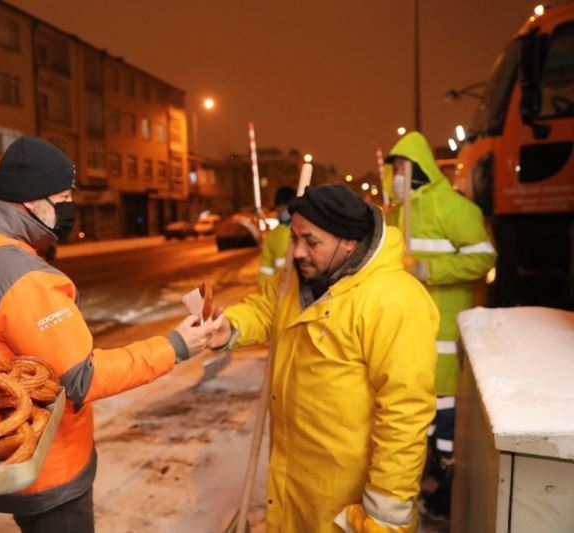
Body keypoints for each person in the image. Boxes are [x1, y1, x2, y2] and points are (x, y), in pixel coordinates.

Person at [0, 136, 217, 532]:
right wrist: (176, 347)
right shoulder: (20, 275)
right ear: (31, 201)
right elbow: (82, 377)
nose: (69, 209)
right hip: (49, 462)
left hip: (4, 444)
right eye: (63, 198)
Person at [209, 184, 439, 533]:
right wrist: (230, 327)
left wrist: (386, 510)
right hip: (293, 480)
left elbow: (405, 412)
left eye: (311, 241)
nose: (297, 252)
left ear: (348, 241)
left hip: (345, 492)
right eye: (294, 239)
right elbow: (264, 309)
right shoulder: (296, 279)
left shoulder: (393, 301)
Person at [385, 131, 496, 518]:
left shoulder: (454, 208)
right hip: (409, 333)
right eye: (392, 169)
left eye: (401, 168)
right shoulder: (399, 214)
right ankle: (433, 479)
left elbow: (482, 259)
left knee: (446, 414)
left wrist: (429, 269)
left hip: (446, 332)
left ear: (417, 169)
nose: (396, 176)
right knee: (420, 413)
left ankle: (450, 490)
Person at [258, 185, 297, 286]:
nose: (281, 211)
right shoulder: (271, 236)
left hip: (300, 289)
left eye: (285, 206)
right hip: (280, 289)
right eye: (279, 207)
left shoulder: (302, 230)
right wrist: (263, 290)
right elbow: (266, 269)